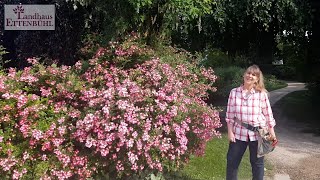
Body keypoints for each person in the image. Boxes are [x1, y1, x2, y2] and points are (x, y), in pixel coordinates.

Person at [225, 65, 277, 180]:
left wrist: (272, 133)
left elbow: (268, 114)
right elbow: (229, 116)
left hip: (258, 135)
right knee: (232, 162)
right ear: (244, 75)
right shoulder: (234, 93)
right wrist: (230, 132)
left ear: (257, 79)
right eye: (248, 73)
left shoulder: (261, 94)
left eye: (254, 75)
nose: (250, 76)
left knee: (257, 165)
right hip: (238, 133)